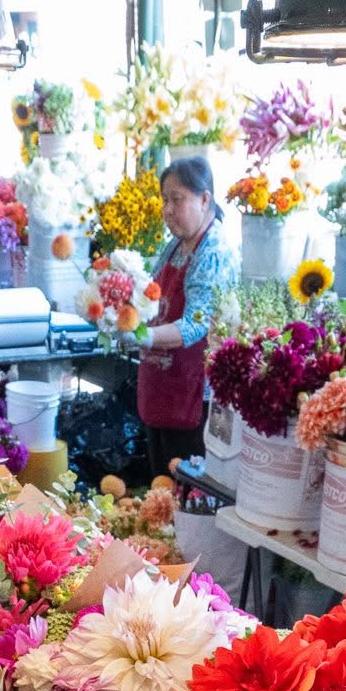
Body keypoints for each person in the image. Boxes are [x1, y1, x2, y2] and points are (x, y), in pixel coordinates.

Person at [135, 156, 237, 480]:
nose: (167, 210)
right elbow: (149, 292)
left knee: (181, 497)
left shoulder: (213, 253)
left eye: (176, 199)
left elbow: (196, 325)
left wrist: (143, 336)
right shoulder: (176, 245)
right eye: (165, 200)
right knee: (157, 487)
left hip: (193, 399)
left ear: (205, 198)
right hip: (164, 388)